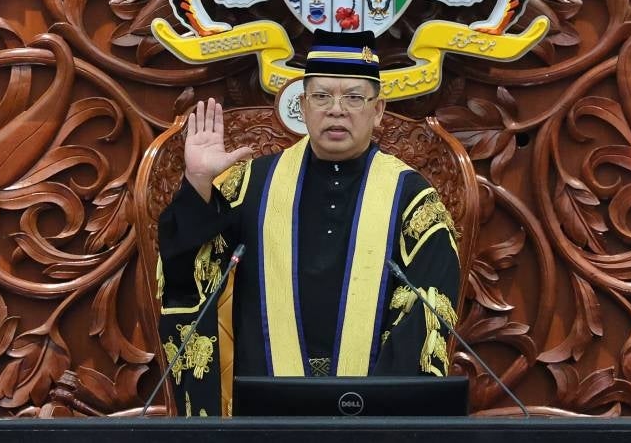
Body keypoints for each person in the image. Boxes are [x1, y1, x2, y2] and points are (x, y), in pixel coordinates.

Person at [156, 29, 461, 417]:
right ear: (302, 106)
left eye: (353, 97)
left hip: (372, 426)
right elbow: (186, 277)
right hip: (263, 424)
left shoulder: (413, 201)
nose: (337, 109)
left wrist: (372, 419)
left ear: (378, 110)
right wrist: (199, 185)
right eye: (321, 97)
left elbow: (424, 320)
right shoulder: (249, 185)